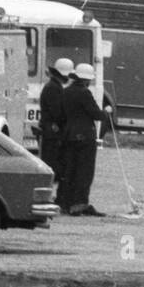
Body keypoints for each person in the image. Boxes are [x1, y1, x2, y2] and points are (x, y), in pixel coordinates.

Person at [59, 62, 109, 217]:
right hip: (85, 137)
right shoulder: (84, 93)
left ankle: (65, 204)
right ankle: (80, 204)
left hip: (69, 135)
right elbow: (95, 114)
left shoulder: (65, 91)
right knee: (84, 172)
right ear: (87, 80)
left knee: (70, 171)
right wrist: (107, 112)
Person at [39, 57, 74, 201]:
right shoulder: (54, 88)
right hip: (52, 132)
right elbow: (57, 112)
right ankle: (45, 196)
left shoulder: (53, 86)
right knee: (52, 164)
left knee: (51, 163)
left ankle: (47, 194)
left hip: (49, 130)